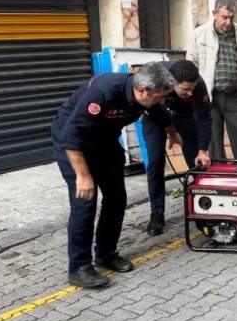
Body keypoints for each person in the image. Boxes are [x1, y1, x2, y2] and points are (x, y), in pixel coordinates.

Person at [51, 62, 179, 288]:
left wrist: (172, 133)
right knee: (85, 202)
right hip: (73, 145)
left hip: (105, 143)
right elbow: (71, 136)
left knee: (117, 198)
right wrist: (83, 175)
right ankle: (79, 267)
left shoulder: (147, 95)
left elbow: (158, 112)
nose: (162, 101)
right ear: (143, 91)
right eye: (160, 97)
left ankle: (106, 254)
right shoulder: (102, 92)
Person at [142, 60, 212, 236]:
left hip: (185, 116)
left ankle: (203, 210)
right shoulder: (155, 79)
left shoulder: (199, 86)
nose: (190, 93)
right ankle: (157, 214)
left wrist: (202, 150)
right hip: (156, 116)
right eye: (185, 90)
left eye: (192, 89)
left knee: (196, 163)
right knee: (155, 162)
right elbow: (147, 106)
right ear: (172, 82)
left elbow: (204, 119)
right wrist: (170, 131)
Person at [188, 0, 237, 160]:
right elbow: (191, 65)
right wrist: (194, 94)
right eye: (224, 17)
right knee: (214, 142)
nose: (228, 22)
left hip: (234, 96)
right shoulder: (198, 35)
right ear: (214, 14)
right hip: (209, 97)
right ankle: (220, 179)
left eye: (231, 17)